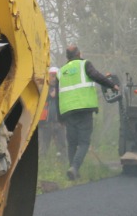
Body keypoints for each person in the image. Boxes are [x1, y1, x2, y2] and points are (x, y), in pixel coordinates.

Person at [57, 45, 120, 181]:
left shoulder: (61, 71)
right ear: (79, 53)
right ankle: (74, 167)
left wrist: (59, 117)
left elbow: (57, 95)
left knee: (72, 142)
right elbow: (96, 76)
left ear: (67, 57)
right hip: (84, 110)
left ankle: (73, 172)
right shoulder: (85, 64)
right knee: (84, 142)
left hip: (68, 112)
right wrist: (112, 85)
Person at [41, 66, 63, 158]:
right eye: (51, 76)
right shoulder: (43, 88)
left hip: (59, 122)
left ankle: (63, 164)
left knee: (62, 146)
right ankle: (43, 164)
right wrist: (50, 96)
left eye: (55, 76)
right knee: (43, 147)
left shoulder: (62, 89)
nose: (53, 78)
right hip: (45, 123)